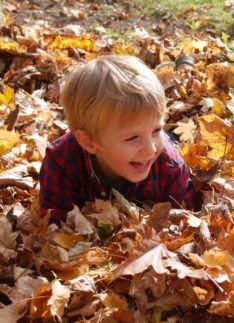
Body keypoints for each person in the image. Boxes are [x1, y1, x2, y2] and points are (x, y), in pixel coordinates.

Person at [39, 55, 197, 222]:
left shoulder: (170, 167)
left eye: (156, 129)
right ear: (89, 142)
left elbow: (184, 224)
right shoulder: (61, 163)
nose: (150, 148)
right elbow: (55, 227)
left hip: (169, 142)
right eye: (132, 138)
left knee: (173, 138)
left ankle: (185, 67)